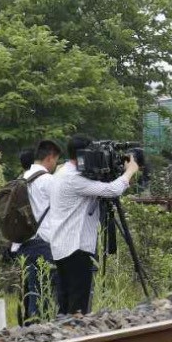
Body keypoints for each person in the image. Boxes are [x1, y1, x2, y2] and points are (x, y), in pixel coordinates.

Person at [46, 135, 139, 315]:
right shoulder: (73, 179)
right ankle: (76, 336)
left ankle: (65, 335)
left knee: (65, 299)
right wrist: (130, 171)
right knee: (78, 302)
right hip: (76, 247)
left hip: (61, 246)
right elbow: (111, 190)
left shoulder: (61, 172)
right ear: (83, 154)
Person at [13, 140, 61, 323]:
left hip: (23, 243)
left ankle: (30, 328)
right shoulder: (48, 180)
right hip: (43, 242)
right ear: (50, 158)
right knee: (45, 289)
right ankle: (42, 330)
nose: (55, 164)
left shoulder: (22, 178)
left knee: (30, 289)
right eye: (55, 160)